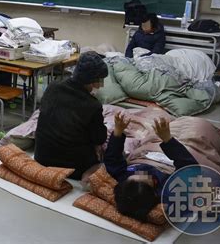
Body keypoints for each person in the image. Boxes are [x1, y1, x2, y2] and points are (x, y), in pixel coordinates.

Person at [105, 114, 198, 222]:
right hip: (170, 158)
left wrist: (118, 131)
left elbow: (112, 160)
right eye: (147, 178)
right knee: (193, 126)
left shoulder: (126, 184)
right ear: (154, 193)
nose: (141, 173)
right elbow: (190, 167)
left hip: (145, 153)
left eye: (134, 175)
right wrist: (168, 139)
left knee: (157, 123)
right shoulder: (168, 191)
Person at [34, 51, 109, 180]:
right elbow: (99, 139)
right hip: (73, 168)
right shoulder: (92, 105)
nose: (101, 85)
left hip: (41, 157)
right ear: (92, 81)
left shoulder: (53, 87)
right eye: (100, 80)